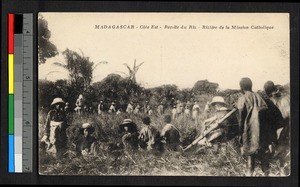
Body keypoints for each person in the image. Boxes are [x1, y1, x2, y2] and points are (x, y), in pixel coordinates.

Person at [236, 77, 275, 176]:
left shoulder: (242, 98)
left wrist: (240, 134)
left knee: (250, 161)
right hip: (262, 133)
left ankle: (249, 178)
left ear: (241, 87)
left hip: (249, 132)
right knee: (265, 161)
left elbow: (241, 119)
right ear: (251, 86)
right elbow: (267, 118)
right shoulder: (259, 97)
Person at [264, 81, 290, 176]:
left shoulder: (271, 101)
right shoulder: (287, 96)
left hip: (282, 127)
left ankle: (283, 169)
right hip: (290, 125)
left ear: (267, 92)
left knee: (281, 149)